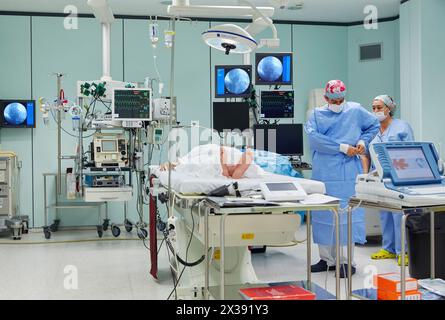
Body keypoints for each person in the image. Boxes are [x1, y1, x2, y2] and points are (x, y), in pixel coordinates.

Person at [305, 80, 380, 278]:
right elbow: (314, 140)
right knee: (323, 214)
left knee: (347, 215)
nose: (338, 103)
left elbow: (373, 125)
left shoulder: (355, 110)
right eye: (334, 100)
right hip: (324, 171)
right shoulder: (315, 115)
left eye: (340, 100)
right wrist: (342, 147)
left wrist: (363, 141)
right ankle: (326, 259)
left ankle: (347, 262)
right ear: (326, 98)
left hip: (347, 172)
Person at [366, 95, 414, 266]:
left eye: (379, 107)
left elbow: (410, 151)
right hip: (380, 178)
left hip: (399, 177)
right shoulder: (373, 130)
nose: (376, 111)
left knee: (397, 214)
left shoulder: (401, 127)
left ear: (389, 108)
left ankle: (404, 251)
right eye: (374, 108)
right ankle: (388, 248)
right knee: (384, 213)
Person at [160, 144, 261, 179]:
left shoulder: (247, 161)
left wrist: (223, 163)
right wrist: (223, 157)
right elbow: (222, 150)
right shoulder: (242, 156)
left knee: (204, 162)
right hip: (218, 153)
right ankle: (180, 162)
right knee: (206, 150)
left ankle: (179, 164)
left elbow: (232, 176)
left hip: (219, 162)